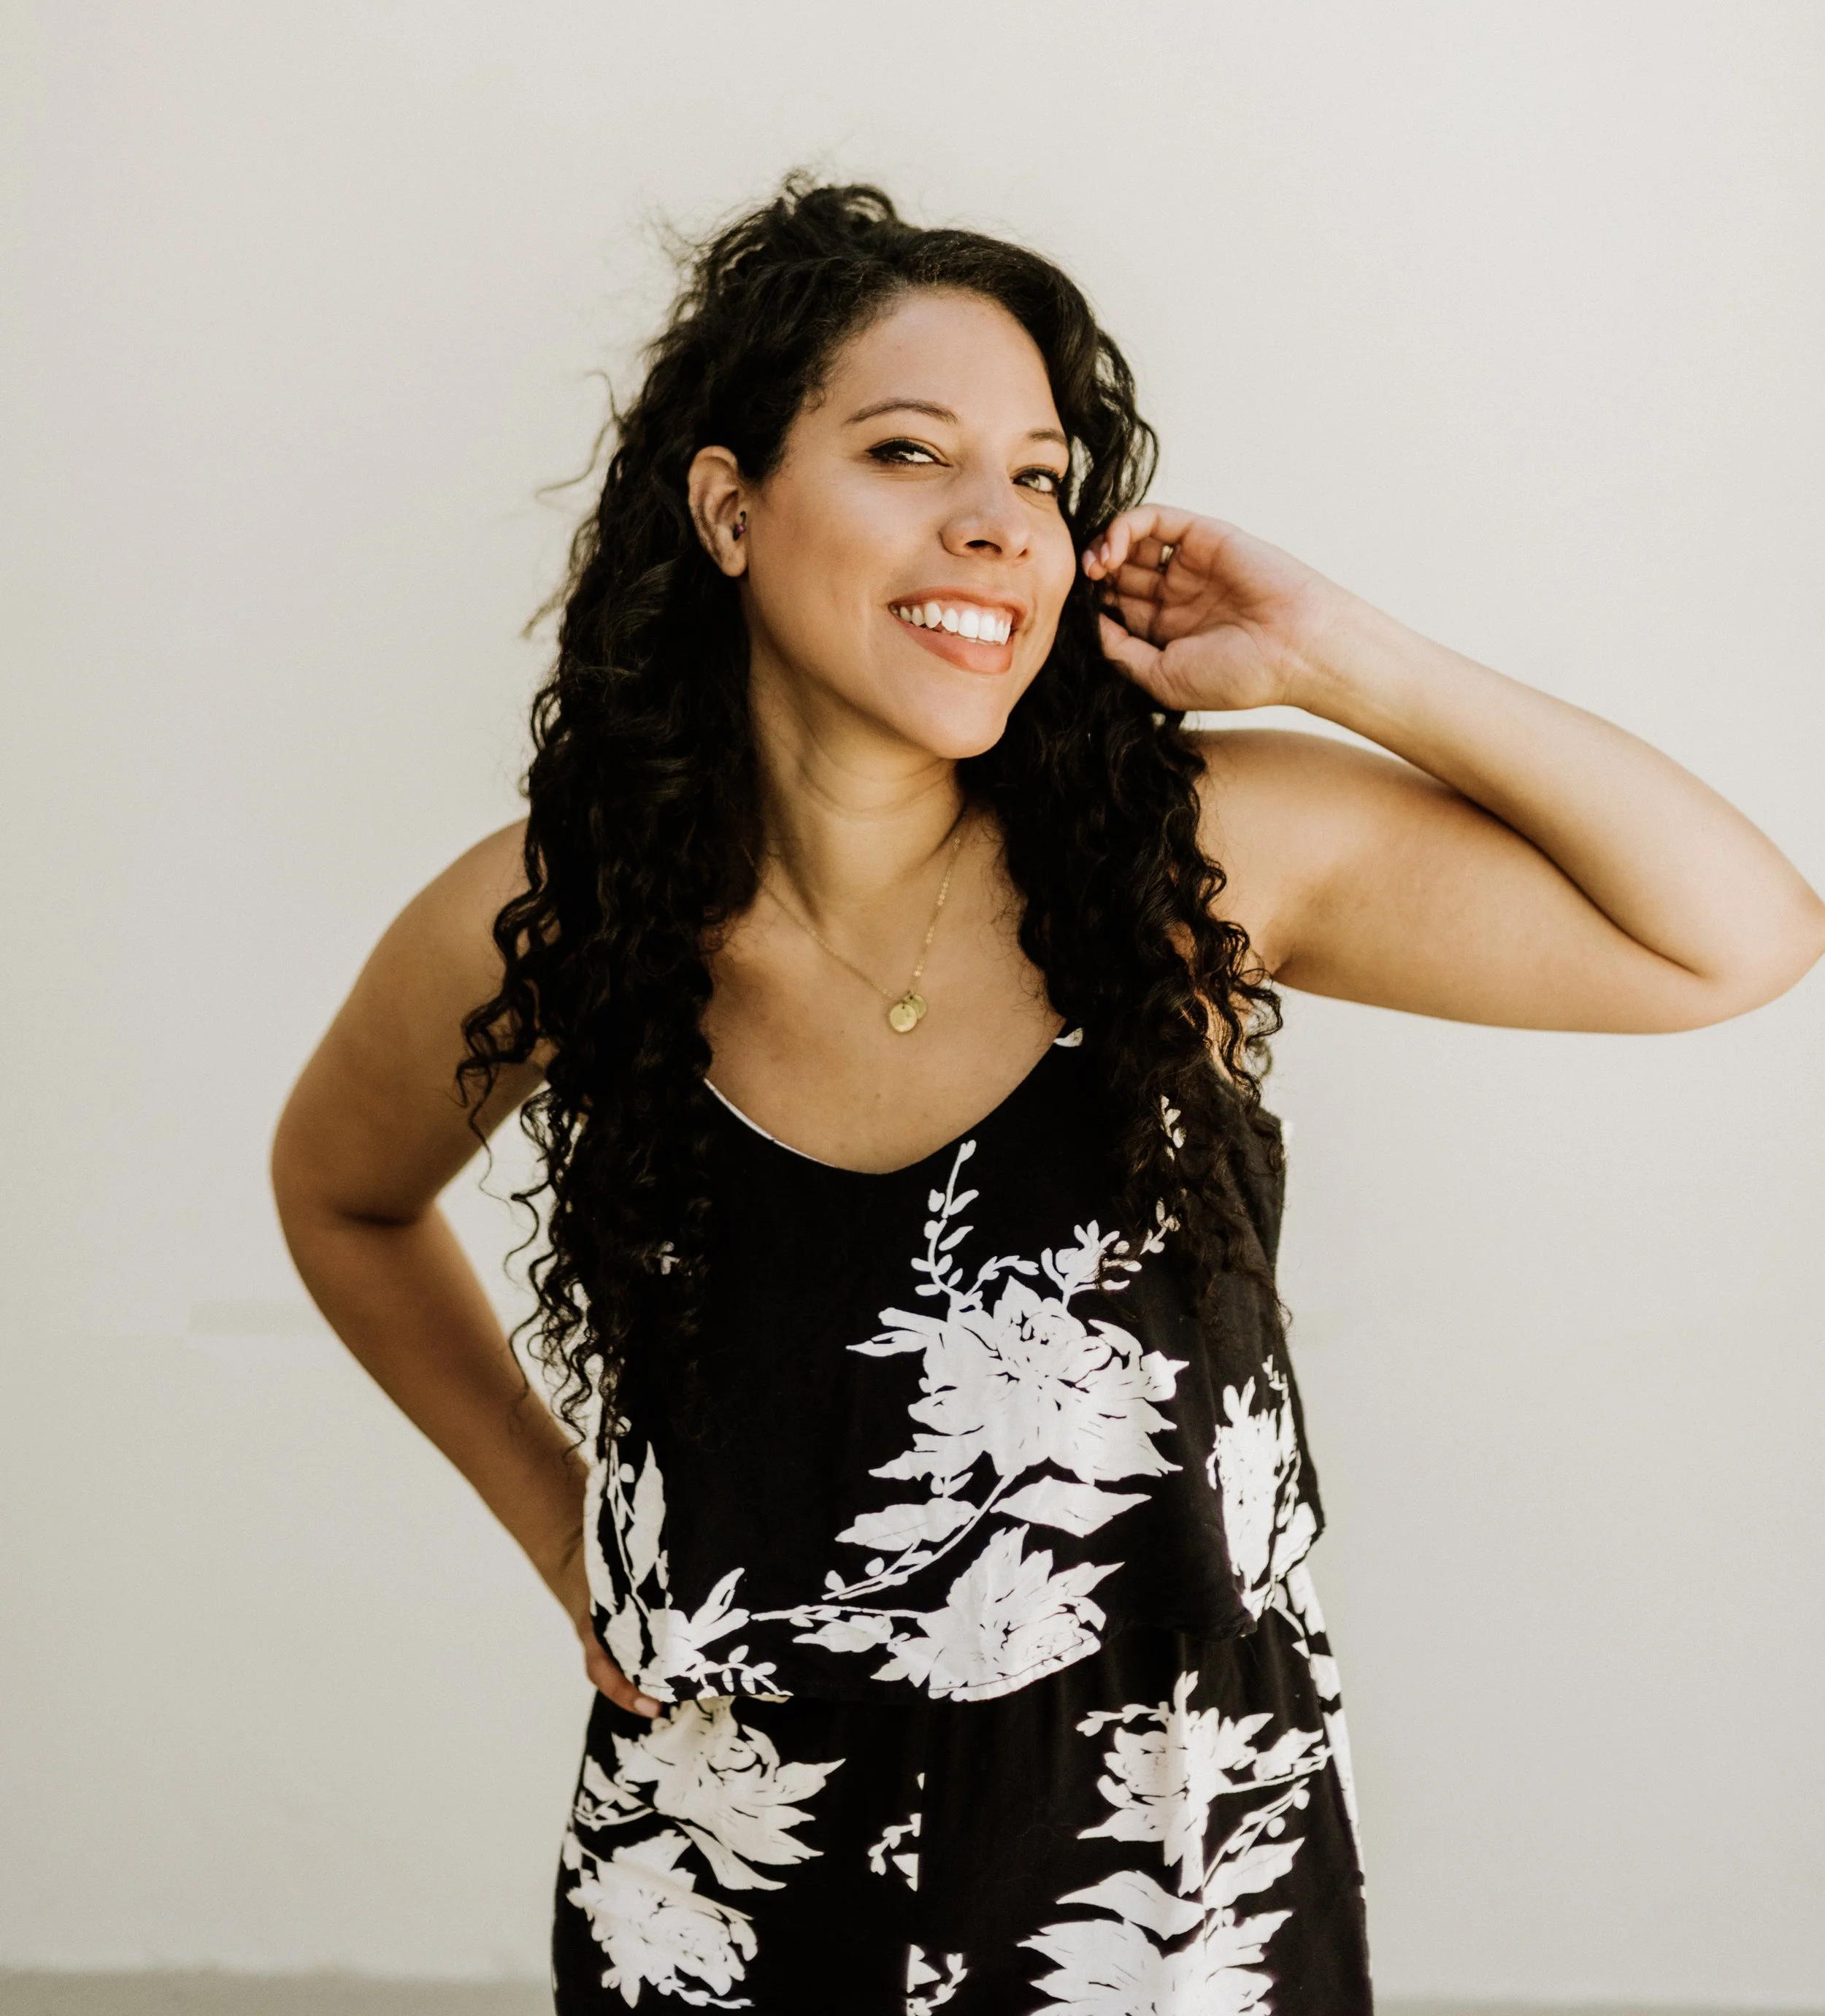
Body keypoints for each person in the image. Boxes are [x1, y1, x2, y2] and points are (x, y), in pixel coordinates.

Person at [272, 180, 1824, 2014]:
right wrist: (557, 1532)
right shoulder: (556, 908)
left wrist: (1343, 657)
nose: (993, 527)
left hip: (1169, 1899)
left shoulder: (1188, 863)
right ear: (728, 506)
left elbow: (1728, 937)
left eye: (1037, 477)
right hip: (725, 1888)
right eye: (909, 452)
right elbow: (343, 1196)